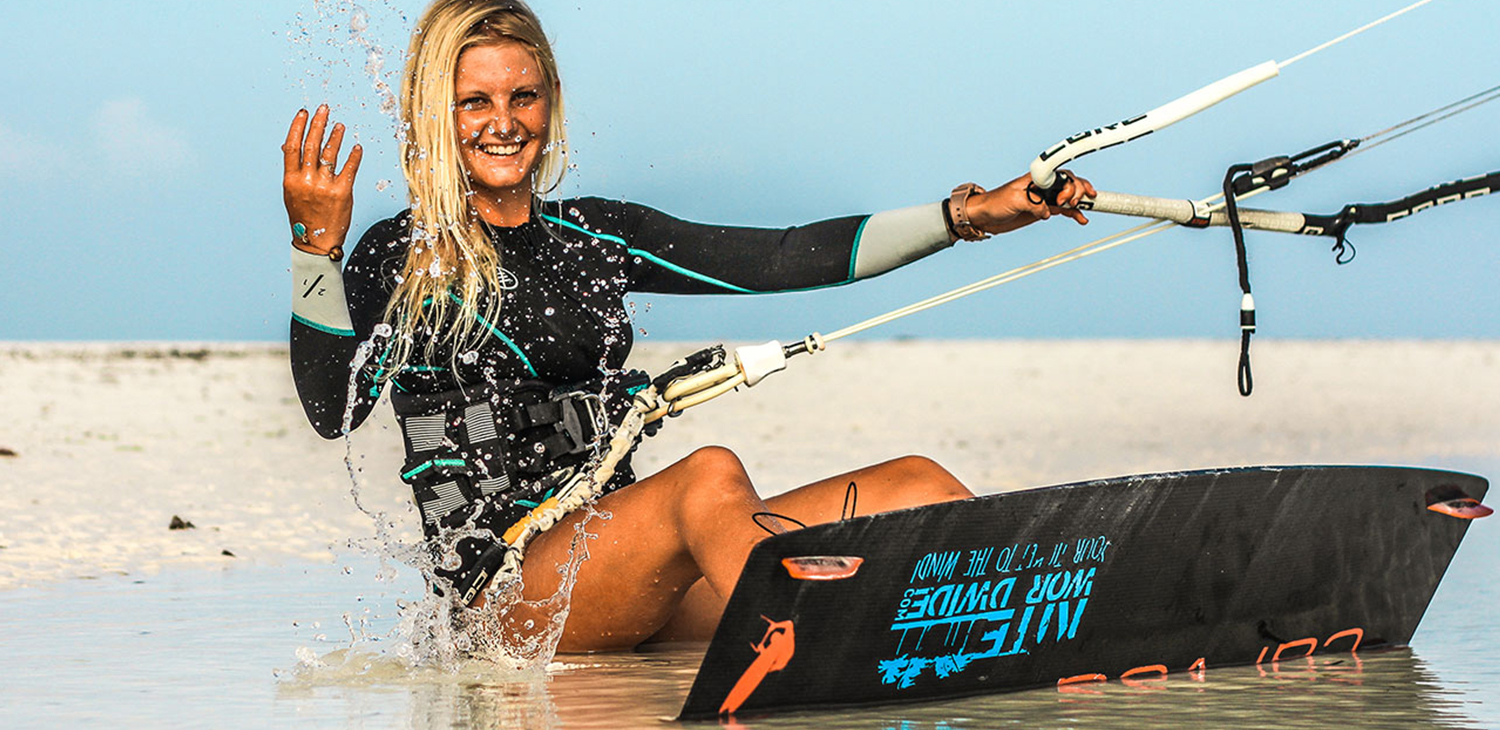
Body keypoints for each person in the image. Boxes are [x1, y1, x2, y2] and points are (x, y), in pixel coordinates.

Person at [281, 0, 1095, 653]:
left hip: (624, 580)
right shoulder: (409, 254)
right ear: (436, 113)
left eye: (523, 96)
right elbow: (332, 410)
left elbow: (783, 256)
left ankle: (1049, 640)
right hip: (508, 602)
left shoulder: (597, 237)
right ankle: (813, 654)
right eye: (475, 102)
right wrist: (316, 247)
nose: (504, 120)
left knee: (914, 484)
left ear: (549, 103)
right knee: (707, 477)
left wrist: (971, 215)